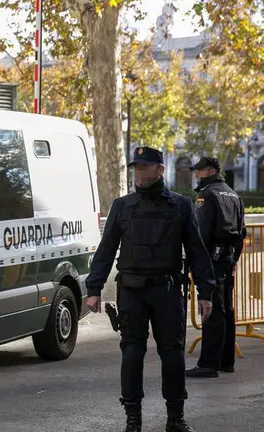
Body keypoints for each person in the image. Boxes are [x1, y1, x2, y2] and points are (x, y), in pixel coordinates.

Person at [85, 146, 216, 432]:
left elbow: (197, 250)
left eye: (145, 167)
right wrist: (94, 288)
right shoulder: (122, 206)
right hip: (132, 291)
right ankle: (133, 419)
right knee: (132, 353)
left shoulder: (180, 205)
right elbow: (106, 249)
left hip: (167, 290)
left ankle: (175, 419)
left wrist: (206, 292)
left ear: (160, 170)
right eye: (136, 168)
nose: (140, 173)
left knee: (173, 354)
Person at [185, 157, 247, 378]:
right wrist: (234, 259)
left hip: (211, 258)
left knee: (211, 309)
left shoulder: (207, 194)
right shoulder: (233, 194)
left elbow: (202, 233)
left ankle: (209, 364)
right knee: (227, 309)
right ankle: (226, 361)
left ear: (211, 171)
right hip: (227, 258)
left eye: (199, 171)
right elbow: (242, 233)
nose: (196, 175)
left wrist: (195, 261)